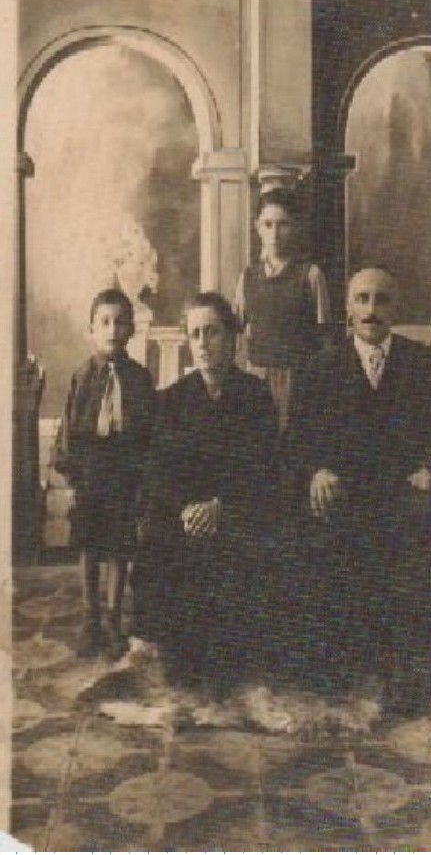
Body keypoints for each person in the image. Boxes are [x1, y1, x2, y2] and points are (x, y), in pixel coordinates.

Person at [284, 267, 431, 712]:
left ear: (395, 308)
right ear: (347, 308)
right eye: (362, 299)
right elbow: (296, 440)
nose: (371, 310)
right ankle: (343, 662)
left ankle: (406, 668)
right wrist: (316, 472)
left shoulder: (426, 366)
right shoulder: (320, 368)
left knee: (422, 530)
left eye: (382, 299)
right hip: (345, 493)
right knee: (322, 540)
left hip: (404, 491)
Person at [136, 292, 278, 697]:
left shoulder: (256, 395)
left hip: (237, 509)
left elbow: (265, 466)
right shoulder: (172, 399)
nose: (202, 343)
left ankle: (232, 655)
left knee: (248, 544)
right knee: (162, 541)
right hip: (185, 514)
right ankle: (181, 652)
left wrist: (221, 506)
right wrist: (186, 507)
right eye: (195, 334)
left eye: (212, 332)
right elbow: (158, 468)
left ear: (231, 338)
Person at [53, 289, 155, 660]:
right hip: (91, 470)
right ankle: (90, 617)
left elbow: (149, 430)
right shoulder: (83, 377)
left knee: (119, 545)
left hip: (124, 469)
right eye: (105, 322)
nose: (112, 330)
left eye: (120, 322)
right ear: (92, 329)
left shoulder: (140, 378)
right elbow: (70, 426)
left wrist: (144, 475)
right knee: (89, 544)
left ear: (132, 329)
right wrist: (71, 471)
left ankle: (112, 619)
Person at [233, 188, 332, 433]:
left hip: (299, 380)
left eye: (283, 224)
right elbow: (235, 332)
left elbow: (325, 341)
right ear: (257, 227)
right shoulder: (248, 277)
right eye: (268, 225)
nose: (275, 234)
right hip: (257, 377)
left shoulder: (311, 276)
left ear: (295, 227)